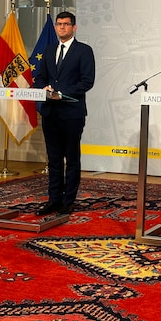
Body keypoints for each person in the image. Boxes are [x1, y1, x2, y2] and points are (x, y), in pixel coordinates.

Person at [32, 11, 95, 216]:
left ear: (74, 27)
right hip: (50, 112)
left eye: (66, 24)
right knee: (54, 159)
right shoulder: (49, 50)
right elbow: (40, 77)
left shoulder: (84, 51)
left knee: (72, 159)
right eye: (59, 24)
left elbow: (87, 81)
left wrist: (62, 94)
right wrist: (44, 89)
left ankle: (69, 201)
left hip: (72, 113)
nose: (61, 27)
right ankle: (54, 200)